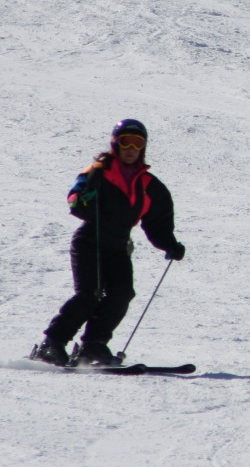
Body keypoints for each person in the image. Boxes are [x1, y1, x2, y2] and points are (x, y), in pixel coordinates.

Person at [34, 119, 185, 366]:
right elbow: (75, 199)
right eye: (126, 141)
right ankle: (52, 343)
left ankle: (93, 345)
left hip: (117, 246)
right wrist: (83, 199)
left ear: (143, 148)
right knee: (88, 295)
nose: (131, 148)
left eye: (137, 143)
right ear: (116, 144)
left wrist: (170, 244)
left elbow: (158, 221)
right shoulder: (98, 172)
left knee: (122, 293)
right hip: (89, 241)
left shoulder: (149, 185)